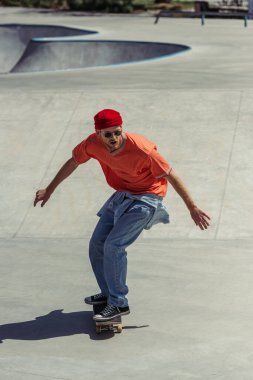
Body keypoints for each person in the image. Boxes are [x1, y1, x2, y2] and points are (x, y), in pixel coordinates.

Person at [34, 108, 210, 322]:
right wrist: (50, 189)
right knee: (97, 244)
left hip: (147, 199)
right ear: (98, 134)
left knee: (114, 246)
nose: (114, 139)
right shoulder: (91, 144)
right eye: (108, 134)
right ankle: (109, 293)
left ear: (122, 128)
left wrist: (192, 207)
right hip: (123, 194)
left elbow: (171, 175)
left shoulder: (142, 149)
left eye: (117, 132)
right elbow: (73, 162)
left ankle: (119, 303)